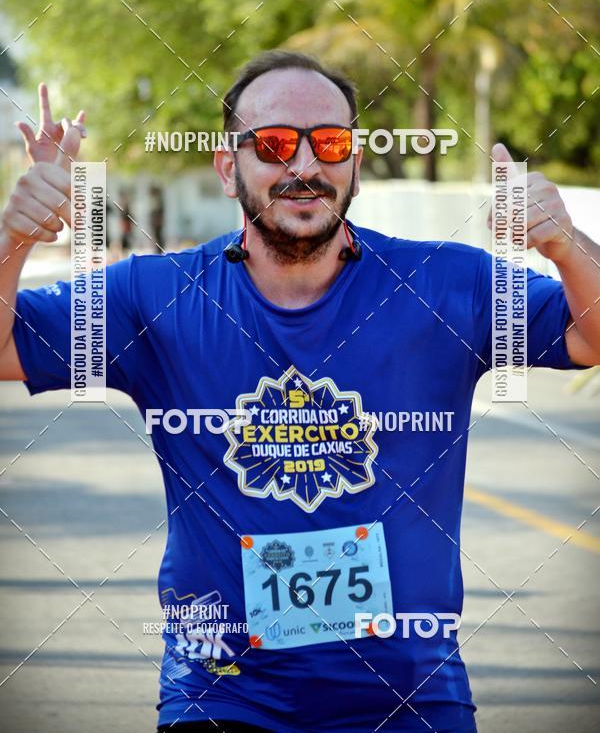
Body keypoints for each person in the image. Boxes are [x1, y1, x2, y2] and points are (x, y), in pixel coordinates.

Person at [1, 55, 599, 733]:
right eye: (276, 143)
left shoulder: (442, 284)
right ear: (230, 169)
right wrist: (12, 236)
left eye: (331, 143)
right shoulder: (155, 296)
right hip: (222, 695)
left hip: (410, 698)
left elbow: (592, 338)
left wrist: (566, 244)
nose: (304, 166)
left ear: (356, 164)